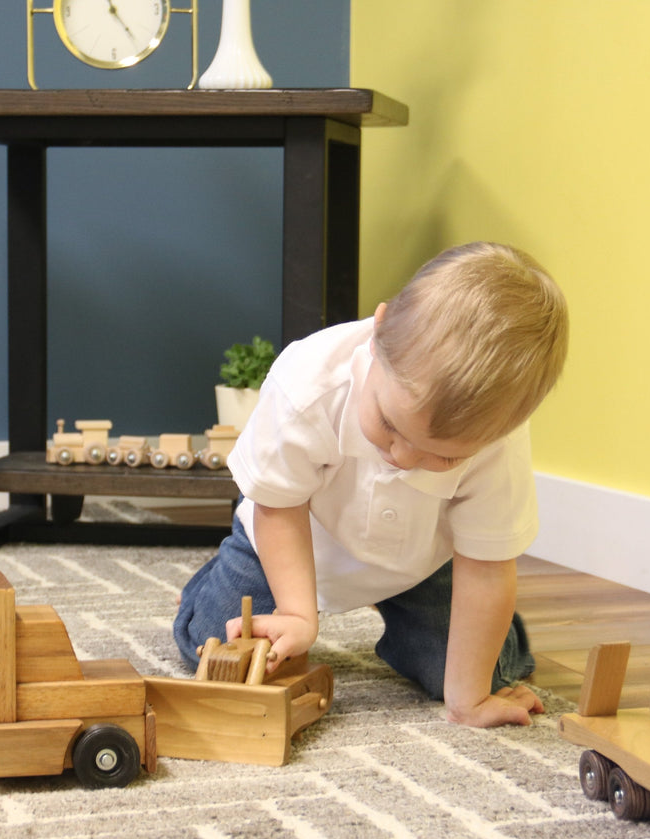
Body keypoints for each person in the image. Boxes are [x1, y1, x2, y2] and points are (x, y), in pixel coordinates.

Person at [173, 242, 569, 728]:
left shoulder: (497, 443)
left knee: (480, 673)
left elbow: (487, 567)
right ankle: (203, 585)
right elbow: (278, 505)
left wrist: (468, 700)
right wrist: (298, 613)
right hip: (294, 537)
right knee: (215, 649)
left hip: (423, 562)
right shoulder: (307, 383)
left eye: (442, 456)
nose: (403, 458)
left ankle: (473, 643)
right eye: (389, 424)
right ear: (378, 334)